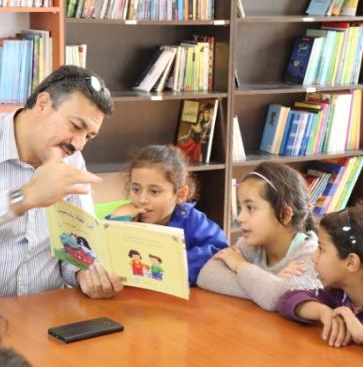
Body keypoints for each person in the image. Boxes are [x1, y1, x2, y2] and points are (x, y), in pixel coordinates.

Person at [0, 65, 123, 299]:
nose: (78, 144)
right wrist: (23, 198)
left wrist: (82, 273)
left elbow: (77, 244)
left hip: (46, 315)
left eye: (89, 136)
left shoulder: (73, 159)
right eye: (76, 126)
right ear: (43, 104)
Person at [197, 162, 321, 311]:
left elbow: (277, 297)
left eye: (250, 208)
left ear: (284, 214)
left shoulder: (310, 255)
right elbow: (207, 275)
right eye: (240, 207)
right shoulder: (252, 244)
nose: (240, 218)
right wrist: (268, 284)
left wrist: (240, 266)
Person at [277, 206, 363, 352]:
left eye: (321, 248)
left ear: (350, 262)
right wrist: (323, 312)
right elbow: (286, 299)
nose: (313, 257)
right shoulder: (339, 293)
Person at [110, 144, 228, 286]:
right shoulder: (125, 218)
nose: (142, 199)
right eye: (136, 189)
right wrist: (117, 222)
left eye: (154, 191)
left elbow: (219, 249)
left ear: (180, 194)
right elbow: (105, 254)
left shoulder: (193, 221)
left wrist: (175, 265)